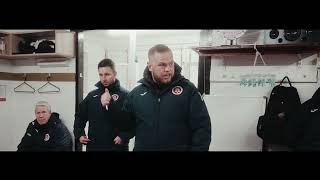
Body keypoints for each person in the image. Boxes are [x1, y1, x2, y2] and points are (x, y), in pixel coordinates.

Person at [122, 44, 212, 151]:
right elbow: (124, 127)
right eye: (162, 65)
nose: (168, 69)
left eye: (171, 64)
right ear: (150, 66)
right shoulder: (136, 94)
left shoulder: (188, 90)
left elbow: (202, 128)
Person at [74, 58, 130, 151]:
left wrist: (123, 136)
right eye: (101, 75)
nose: (104, 78)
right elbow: (80, 116)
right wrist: (79, 134)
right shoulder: (92, 96)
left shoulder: (125, 95)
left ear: (115, 74)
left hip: (117, 147)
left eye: (107, 74)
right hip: (95, 146)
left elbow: (132, 121)